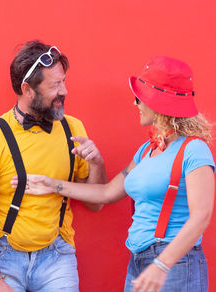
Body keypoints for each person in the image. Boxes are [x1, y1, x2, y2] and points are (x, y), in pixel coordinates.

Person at [13, 56, 215, 292]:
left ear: (160, 104)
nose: (135, 104)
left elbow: (201, 216)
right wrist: (52, 185)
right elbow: (107, 192)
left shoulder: (194, 150)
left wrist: (162, 264)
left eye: (139, 99)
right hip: (140, 259)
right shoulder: (147, 151)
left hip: (175, 263)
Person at [0, 40, 107, 292]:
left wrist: (96, 163)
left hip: (57, 255)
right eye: (55, 85)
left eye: (63, 81)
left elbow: (95, 204)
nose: (64, 91)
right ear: (27, 89)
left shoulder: (73, 129)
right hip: (3, 258)